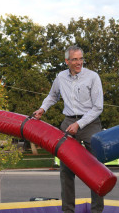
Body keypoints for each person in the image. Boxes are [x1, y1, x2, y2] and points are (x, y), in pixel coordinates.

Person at [34, 46, 104, 213]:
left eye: (81, 59)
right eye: (74, 59)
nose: (79, 62)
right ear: (67, 61)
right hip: (68, 122)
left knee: (96, 168)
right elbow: (52, 96)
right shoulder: (60, 77)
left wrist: (79, 124)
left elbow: (98, 107)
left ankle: (97, 210)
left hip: (90, 124)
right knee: (66, 170)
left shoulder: (93, 77)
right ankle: (68, 210)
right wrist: (43, 109)